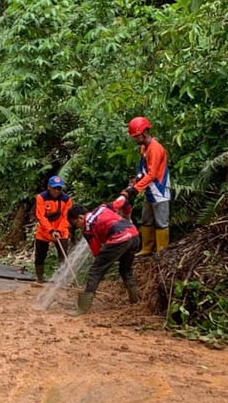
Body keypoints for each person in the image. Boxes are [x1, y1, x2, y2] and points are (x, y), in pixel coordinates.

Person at [66, 193, 141, 315]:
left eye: (76, 224)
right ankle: (135, 300)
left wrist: (103, 263)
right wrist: (127, 216)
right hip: (134, 235)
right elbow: (124, 201)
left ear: (80, 218)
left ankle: (82, 308)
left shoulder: (87, 228)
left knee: (95, 271)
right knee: (126, 270)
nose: (78, 227)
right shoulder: (103, 207)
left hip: (119, 238)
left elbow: (97, 252)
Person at [127, 116, 171, 256]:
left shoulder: (155, 149)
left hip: (160, 190)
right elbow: (143, 170)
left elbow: (152, 174)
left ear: (144, 133)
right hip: (149, 191)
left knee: (161, 222)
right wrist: (136, 181)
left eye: (136, 136)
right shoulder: (143, 148)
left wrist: (136, 189)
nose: (135, 139)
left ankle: (161, 251)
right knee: (146, 219)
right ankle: (147, 248)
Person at [33, 175, 73, 284]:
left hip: (61, 230)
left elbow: (66, 217)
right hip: (44, 231)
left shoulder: (67, 200)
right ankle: (39, 278)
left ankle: (62, 280)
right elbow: (40, 216)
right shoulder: (41, 197)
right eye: (54, 188)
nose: (56, 191)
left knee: (63, 255)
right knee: (40, 255)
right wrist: (51, 230)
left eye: (59, 188)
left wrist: (59, 230)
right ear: (49, 187)